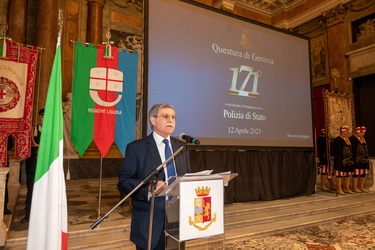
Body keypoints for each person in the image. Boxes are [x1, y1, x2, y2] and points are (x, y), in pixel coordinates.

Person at [118, 103, 190, 250]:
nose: (171, 120)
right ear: (153, 120)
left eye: (173, 117)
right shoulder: (136, 148)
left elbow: (186, 177)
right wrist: (150, 189)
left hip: (178, 219)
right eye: (165, 116)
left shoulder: (181, 147)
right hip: (150, 221)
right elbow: (123, 182)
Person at [21, 108, 43, 223]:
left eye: (45, 116)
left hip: (46, 167)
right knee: (31, 191)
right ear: (39, 117)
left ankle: (43, 215)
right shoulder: (32, 131)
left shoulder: (52, 132)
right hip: (32, 166)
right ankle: (28, 215)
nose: (43, 119)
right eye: (42, 116)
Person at [331, 126, 355, 195]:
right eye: (346, 131)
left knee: (347, 174)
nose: (347, 132)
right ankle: (339, 189)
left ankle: (346, 188)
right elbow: (336, 150)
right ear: (343, 131)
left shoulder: (347, 139)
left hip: (348, 160)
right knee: (340, 174)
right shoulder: (338, 139)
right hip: (340, 159)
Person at [350, 126, 370, 193]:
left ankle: (361, 186)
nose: (364, 133)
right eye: (363, 132)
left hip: (364, 159)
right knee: (356, 173)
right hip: (357, 158)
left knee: (363, 173)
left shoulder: (363, 138)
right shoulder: (352, 138)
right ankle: (354, 187)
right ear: (359, 132)